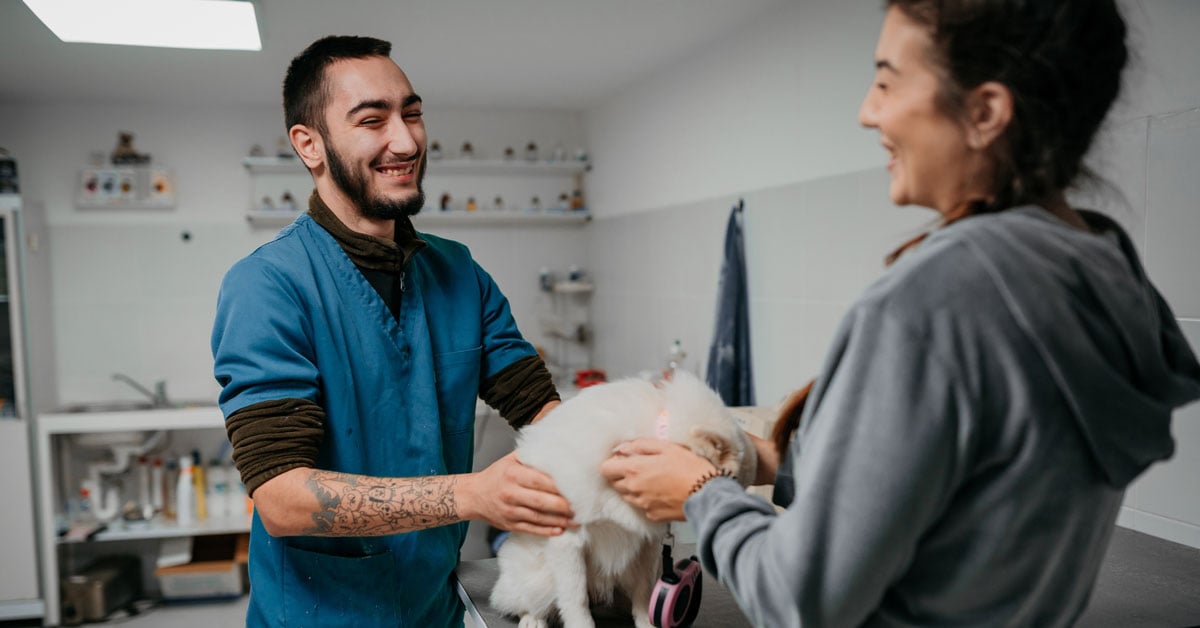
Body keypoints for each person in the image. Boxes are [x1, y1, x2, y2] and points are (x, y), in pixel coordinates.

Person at [600, 1, 1200, 626]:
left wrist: (701, 493)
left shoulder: (937, 299)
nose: (867, 111)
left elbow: (803, 598)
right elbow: (966, 491)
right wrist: (763, 460)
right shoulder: (1102, 273)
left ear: (987, 112)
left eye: (886, 80)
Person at [211, 35, 575, 627]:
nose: (405, 140)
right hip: (320, 614)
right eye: (371, 120)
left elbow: (539, 405)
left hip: (437, 605)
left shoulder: (457, 272)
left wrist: (615, 446)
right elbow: (279, 497)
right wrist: (475, 494)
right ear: (310, 145)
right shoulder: (268, 285)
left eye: (412, 113)